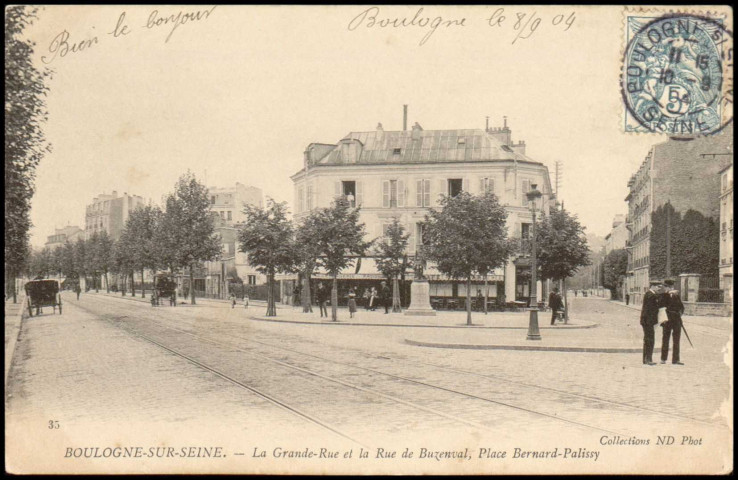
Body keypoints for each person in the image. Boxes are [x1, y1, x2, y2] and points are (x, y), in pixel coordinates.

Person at [660, 279, 685, 365]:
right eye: (665, 287)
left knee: (676, 340)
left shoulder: (676, 296)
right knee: (665, 339)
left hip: (676, 320)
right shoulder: (664, 295)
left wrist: (679, 314)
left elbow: (681, 307)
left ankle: (676, 359)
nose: (665, 288)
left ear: (671, 287)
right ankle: (663, 358)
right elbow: (661, 305)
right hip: (667, 320)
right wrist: (668, 294)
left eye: (666, 287)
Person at [640, 280, 663, 366]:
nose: (658, 289)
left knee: (648, 340)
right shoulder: (650, 295)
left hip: (647, 321)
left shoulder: (650, 294)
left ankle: (646, 359)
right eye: (658, 287)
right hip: (648, 321)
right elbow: (653, 306)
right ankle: (648, 359)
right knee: (650, 340)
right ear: (653, 286)